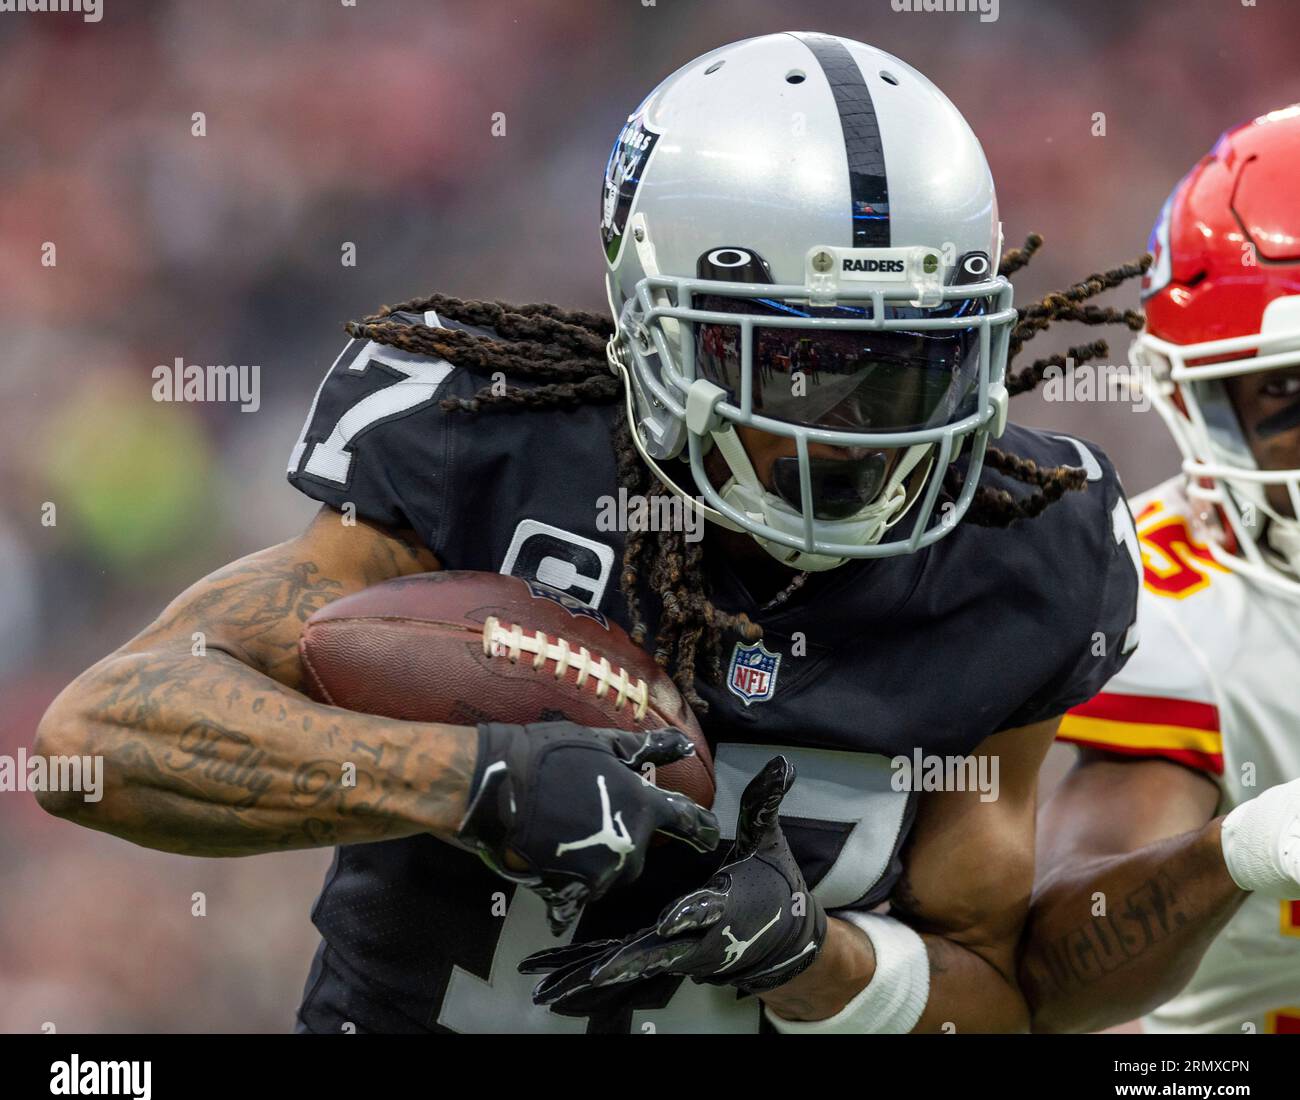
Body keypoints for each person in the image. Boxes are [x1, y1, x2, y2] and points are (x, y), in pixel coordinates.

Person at [35, 32, 1141, 1034]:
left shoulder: (1021, 546)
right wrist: (474, 779)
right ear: (656, 330)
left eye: (911, 363)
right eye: (799, 363)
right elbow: (96, 739)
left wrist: (816, 956)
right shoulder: (490, 445)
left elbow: (993, 995)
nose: (855, 432)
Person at [1021, 106, 1300, 1035]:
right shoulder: (1185, 609)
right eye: (1286, 391)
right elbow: (1053, 979)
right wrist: (1248, 847)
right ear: (1200, 403)